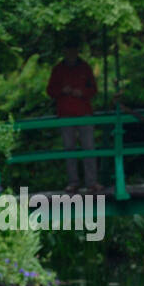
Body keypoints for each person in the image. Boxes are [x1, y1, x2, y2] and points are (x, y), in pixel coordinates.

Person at [46, 40, 100, 193]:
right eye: (68, 50)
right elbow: (50, 91)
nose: (71, 53)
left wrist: (82, 92)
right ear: (65, 51)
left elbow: (93, 89)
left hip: (84, 112)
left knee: (89, 148)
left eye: (74, 50)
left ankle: (92, 182)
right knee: (69, 149)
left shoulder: (85, 67)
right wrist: (63, 90)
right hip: (66, 114)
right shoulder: (58, 70)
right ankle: (73, 182)